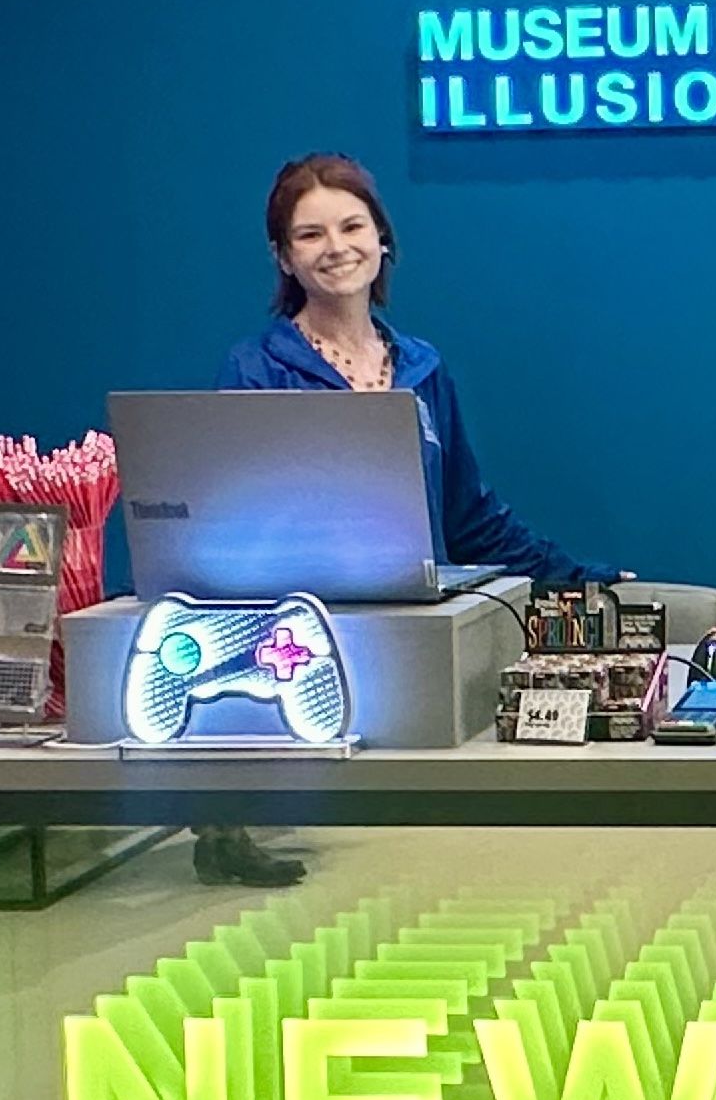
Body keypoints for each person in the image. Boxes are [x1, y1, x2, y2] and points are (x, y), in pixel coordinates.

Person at [198, 152, 610, 884]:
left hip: (416, 645)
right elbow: (234, 525)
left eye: (352, 226)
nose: (337, 248)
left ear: (382, 238)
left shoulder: (422, 367)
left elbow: (472, 518)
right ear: (283, 257)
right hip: (300, 642)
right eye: (310, 234)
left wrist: (585, 582)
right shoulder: (255, 367)